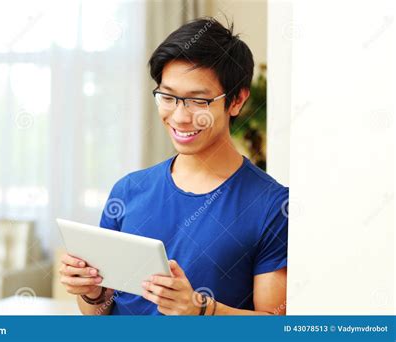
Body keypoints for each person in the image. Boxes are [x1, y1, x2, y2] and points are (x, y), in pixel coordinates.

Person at [59, 17, 288, 316]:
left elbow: (277, 325)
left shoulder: (272, 205)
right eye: (167, 97)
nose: (179, 117)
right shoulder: (129, 190)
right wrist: (92, 294)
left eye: (197, 100)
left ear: (236, 101)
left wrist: (200, 310)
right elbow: (100, 312)